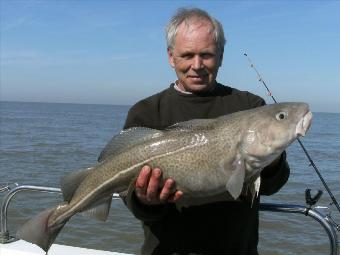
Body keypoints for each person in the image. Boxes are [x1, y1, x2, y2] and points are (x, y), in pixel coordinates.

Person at [104, 8, 290, 255]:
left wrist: (272, 157)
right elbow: (135, 205)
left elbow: (270, 186)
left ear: (221, 56)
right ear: (171, 57)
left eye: (207, 55)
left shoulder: (250, 106)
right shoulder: (146, 112)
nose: (197, 65)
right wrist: (144, 200)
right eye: (187, 55)